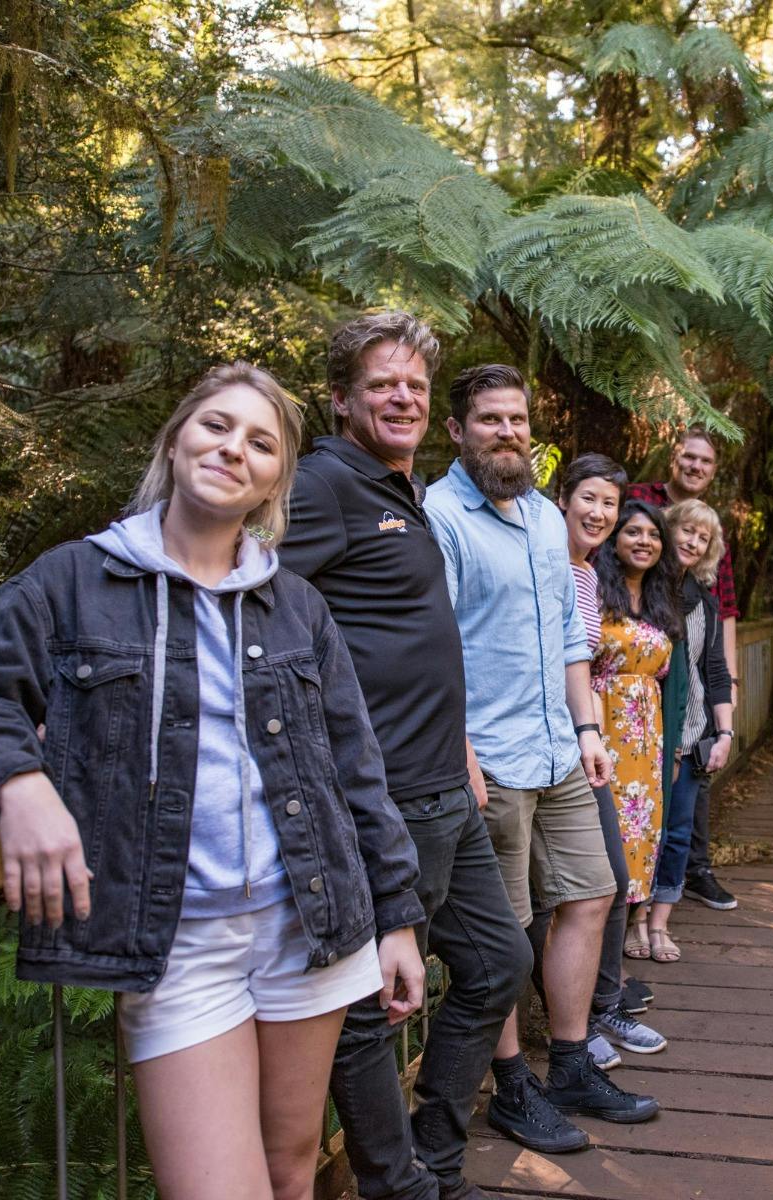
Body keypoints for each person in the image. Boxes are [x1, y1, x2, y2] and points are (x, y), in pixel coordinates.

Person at [0, 363, 427, 1200]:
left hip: (308, 926)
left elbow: (354, 769)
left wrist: (396, 919)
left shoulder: (296, 606)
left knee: (291, 1168)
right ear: (176, 442)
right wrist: (19, 786)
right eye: (215, 426)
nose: (233, 449)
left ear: (276, 477)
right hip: (178, 943)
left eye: (261, 442)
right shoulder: (73, 580)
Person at [279, 313, 532, 1200]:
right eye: (382, 384)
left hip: (445, 792)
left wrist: (458, 744)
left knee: (500, 964)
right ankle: (399, 1184)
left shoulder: (398, 489)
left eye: (416, 387)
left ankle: (436, 1151)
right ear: (342, 398)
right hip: (385, 801)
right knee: (369, 1009)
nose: (403, 397)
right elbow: (243, 595)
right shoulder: (323, 486)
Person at [424, 364, 659, 1155]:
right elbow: (436, 647)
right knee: (506, 932)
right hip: (488, 759)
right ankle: (511, 1087)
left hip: (559, 748)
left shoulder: (538, 517)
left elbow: (567, 638)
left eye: (517, 419)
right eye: (489, 419)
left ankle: (567, 1063)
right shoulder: (440, 516)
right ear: (457, 431)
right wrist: (456, 747)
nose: (507, 432)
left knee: (595, 893)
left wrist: (589, 731)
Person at [541, 453, 667, 1062]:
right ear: (563, 497)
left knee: (611, 882)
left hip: (582, 742)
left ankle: (602, 1007)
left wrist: (589, 731)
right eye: (588, 498)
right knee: (568, 893)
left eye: (608, 503)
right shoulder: (539, 557)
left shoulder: (587, 574)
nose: (597, 512)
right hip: (536, 744)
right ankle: (574, 1024)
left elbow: (576, 661)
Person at [629, 428, 740, 911]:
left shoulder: (705, 572)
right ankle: (636, 904)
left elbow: (725, 613)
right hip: (637, 702)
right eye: (689, 457)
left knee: (690, 791)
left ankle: (688, 877)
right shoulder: (641, 502)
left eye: (706, 462)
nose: (696, 467)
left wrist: (727, 703)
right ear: (673, 457)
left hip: (691, 704)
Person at [590, 500, 682, 955]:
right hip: (603, 722)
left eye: (652, 534)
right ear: (614, 538)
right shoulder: (594, 588)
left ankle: (634, 925)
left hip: (648, 733)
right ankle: (608, 938)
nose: (643, 541)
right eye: (633, 532)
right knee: (608, 830)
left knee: (643, 829)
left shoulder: (662, 599)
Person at [648, 500, 736, 962]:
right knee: (644, 832)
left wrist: (725, 734)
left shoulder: (704, 599)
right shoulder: (642, 588)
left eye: (702, 538)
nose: (691, 541)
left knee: (678, 834)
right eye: (685, 530)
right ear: (668, 530)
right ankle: (632, 921)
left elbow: (715, 669)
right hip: (645, 736)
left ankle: (659, 922)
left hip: (694, 735)